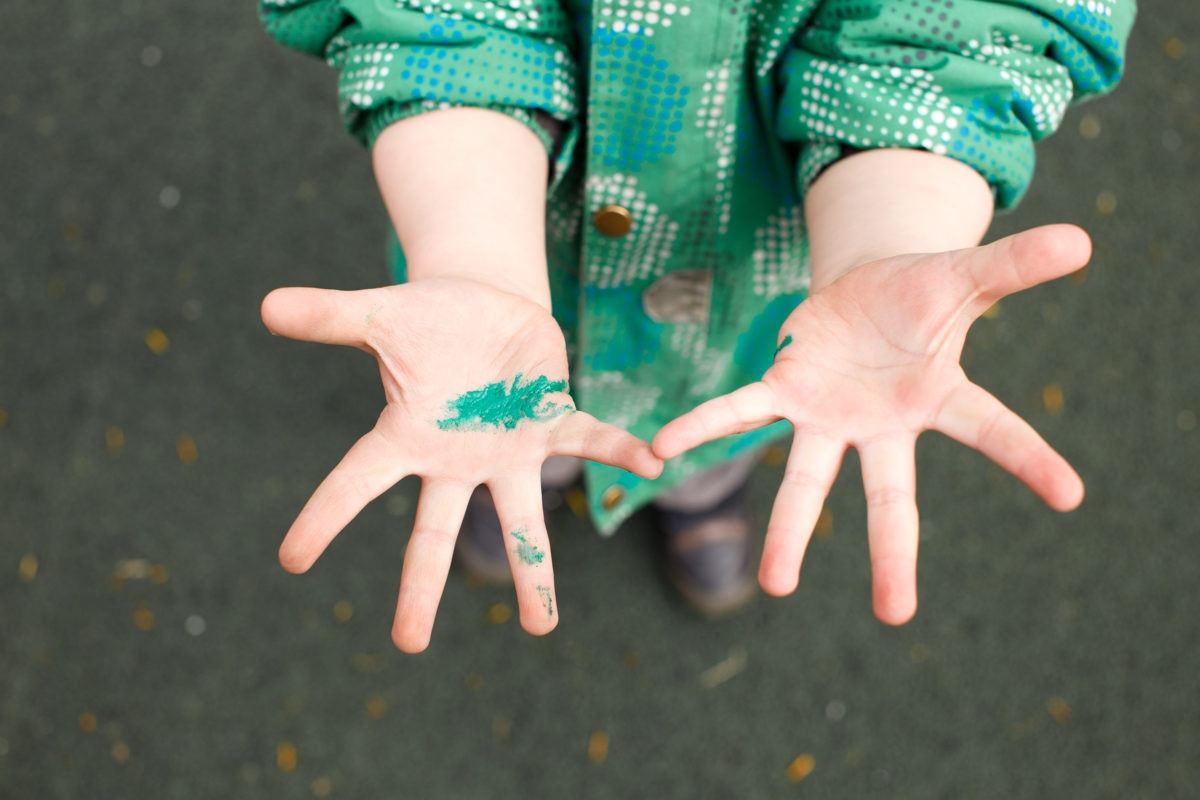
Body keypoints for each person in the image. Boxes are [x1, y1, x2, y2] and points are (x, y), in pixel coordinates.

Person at [257, 0, 1136, 652]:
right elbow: (442, 19)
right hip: (513, 232)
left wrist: (888, 241)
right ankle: (543, 470)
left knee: (732, 411)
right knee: (513, 413)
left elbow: (956, 28)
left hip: (768, 277)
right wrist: (476, 260)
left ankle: (697, 488)